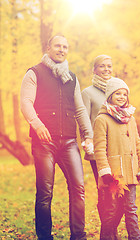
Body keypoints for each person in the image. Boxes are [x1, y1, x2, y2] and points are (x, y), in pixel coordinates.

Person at [20, 35, 93, 240]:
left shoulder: (72, 77)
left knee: (78, 188)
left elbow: (79, 109)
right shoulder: (34, 73)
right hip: (44, 143)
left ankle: (78, 236)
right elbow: (26, 102)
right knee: (45, 193)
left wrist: (88, 135)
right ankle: (44, 237)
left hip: (69, 141)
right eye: (58, 46)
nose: (62, 49)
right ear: (48, 47)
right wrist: (38, 125)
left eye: (65, 47)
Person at [93, 78, 140, 240]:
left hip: (131, 173)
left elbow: (138, 143)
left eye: (125, 94)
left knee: (131, 209)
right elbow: (99, 149)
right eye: (118, 93)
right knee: (111, 211)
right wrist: (105, 173)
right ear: (110, 95)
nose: (122, 96)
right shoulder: (102, 119)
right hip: (114, 176)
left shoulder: (130, 119)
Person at [81, 54, 113, 184]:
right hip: (98, 147)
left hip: (117, 146)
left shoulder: (117, 91)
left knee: (120, 188)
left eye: (109, 66)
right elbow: (84, 120)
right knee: (104, 187)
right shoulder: (87, 93)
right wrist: (88, 142)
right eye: (102, 66)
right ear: (94, 70)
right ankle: (103, 205)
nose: (106, 69)